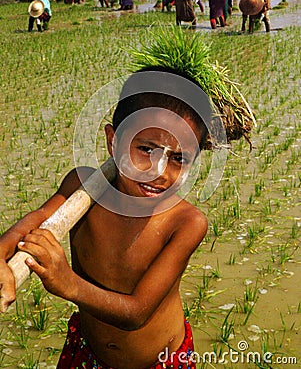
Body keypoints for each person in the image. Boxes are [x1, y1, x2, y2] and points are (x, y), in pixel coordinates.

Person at [0, 65, 211, 369]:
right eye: (145, 148)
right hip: (89, 352)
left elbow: (136, 312)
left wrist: (69, 284)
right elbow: (36, 221)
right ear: (113, 141)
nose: (159, 172)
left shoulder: (186, 223)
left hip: (161, 362)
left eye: (179, 158)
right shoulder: (83, 188)